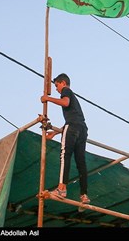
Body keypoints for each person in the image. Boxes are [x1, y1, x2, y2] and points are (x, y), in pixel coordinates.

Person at [41, 73, 90, 206]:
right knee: (81, 162)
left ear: (63, 83)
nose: (57, 89)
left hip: (73, 127)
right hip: (82, 129)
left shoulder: (66, 91)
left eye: (57, 85)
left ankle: (62, 189)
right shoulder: (74, 101)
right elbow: (73, 121)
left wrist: (47, 98)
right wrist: (55, 133)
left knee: (65, 155)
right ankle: (84, 194)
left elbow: (65, 102)